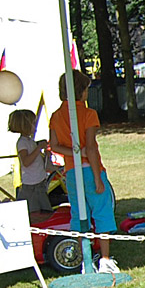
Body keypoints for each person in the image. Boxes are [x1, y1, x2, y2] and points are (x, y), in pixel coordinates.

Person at [48, 69, 120, 274]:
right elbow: (90, 147)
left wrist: (73, 154)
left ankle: (85, 260)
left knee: (79, 214)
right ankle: (105, 259)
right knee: (102, 211)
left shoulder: (56, 116)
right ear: (81, 91)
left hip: (71, 171)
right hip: (90, 169)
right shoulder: (89, 114)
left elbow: (54, 145)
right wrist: (97, 176)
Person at [8, 109, 53, 218]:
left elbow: (36, 161)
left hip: (39, 183)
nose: (35, 126)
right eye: (33, 124)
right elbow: (26, 162)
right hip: (31, 186)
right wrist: (38, 148)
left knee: (45, 212)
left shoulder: (30, 141)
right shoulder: (22, 143)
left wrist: (46, 154)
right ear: (25, 126)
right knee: (35, 214)